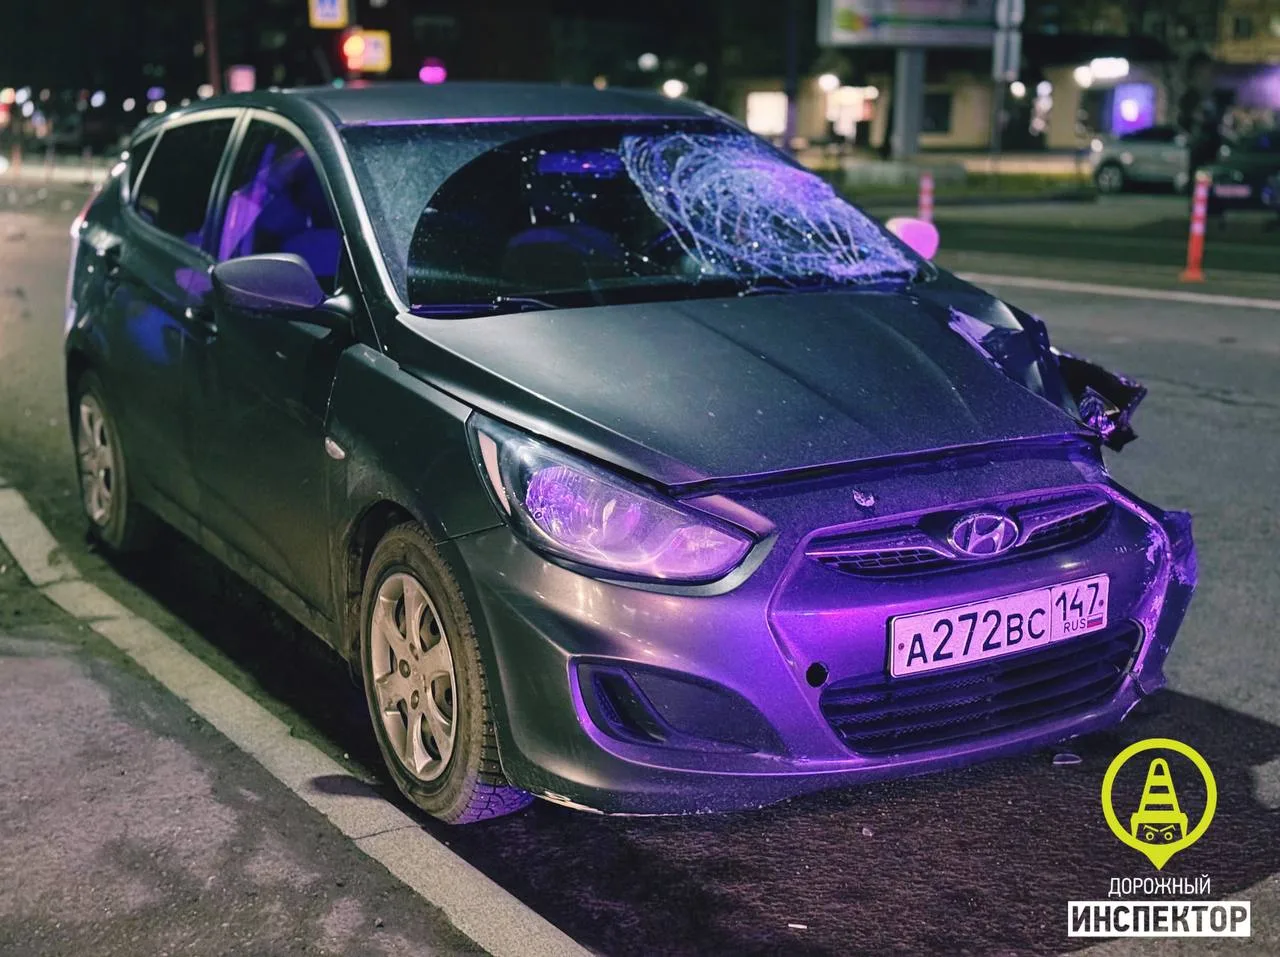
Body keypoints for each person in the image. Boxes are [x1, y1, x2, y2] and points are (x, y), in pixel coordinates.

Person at [1177, 52, 1223, 216]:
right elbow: (1185, 121)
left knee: (1212, 188)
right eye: (1204, 72)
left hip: (1213, 153)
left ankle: (1210, 212)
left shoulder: (1214, 97)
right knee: (1201, 189)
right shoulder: (1190, 98)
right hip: (1200, 152)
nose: (1208, 77)